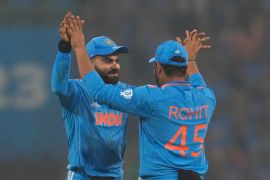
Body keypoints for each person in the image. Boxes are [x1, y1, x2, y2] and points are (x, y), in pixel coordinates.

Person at [66, 14, 216, 180]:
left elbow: (99, 92)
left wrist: (79, 48)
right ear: (186, 69)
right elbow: (197, 82)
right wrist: (192, 59)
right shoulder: (207, 97)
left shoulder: (151, 98)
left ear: (158, 68)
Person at [51, 13, 133, 180]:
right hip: (83, 175)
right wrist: (65, 47)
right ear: (89, 62)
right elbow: (58, 85)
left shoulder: (124, 92)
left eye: (117, 60)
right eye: (107, 61)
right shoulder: (77, 91)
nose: (115, 66)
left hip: (115, 176)